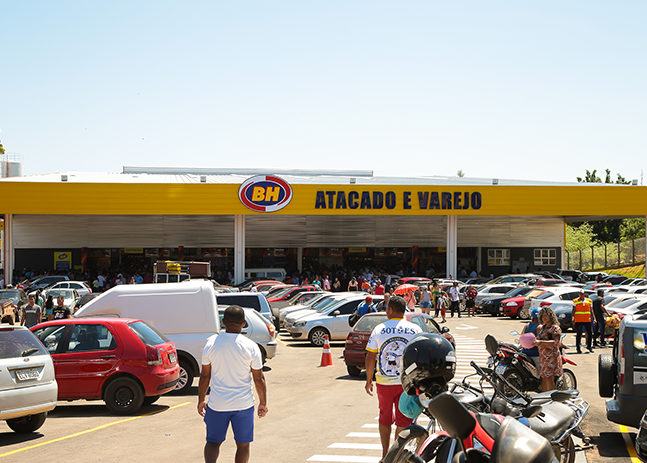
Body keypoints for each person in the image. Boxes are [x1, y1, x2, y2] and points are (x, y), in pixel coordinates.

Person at [198, 305, 268, 463]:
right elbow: (259, 378)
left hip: (217, 404)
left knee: (213, 442)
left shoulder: (211, 343)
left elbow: (204, 376)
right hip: (243, 404)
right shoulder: (251, 346)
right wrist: (263, 402)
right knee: (243, 445)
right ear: (244, 323)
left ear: (224, 322)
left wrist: (201, 399)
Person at [364, 296, 423, 461]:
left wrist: (369, 380)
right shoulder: (415, 329)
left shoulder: (379, 329)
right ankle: (396, 456)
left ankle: (385, 454)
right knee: (403, 419)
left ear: (390, 310)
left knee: (384, 416)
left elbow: (370, 356)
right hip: (407, 384)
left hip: (384, 382)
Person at [534, 307, 563, 392]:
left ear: (551, 316)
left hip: (551, 357)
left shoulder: (555, 328)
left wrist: (541, 342)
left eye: (546, 316)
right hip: (543, 357)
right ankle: (544, 397)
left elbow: (555, 342)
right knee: (544, 377)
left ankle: (550, 398)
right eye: (542, 316)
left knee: (549, 378)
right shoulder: (542, 328)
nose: (544, 318)